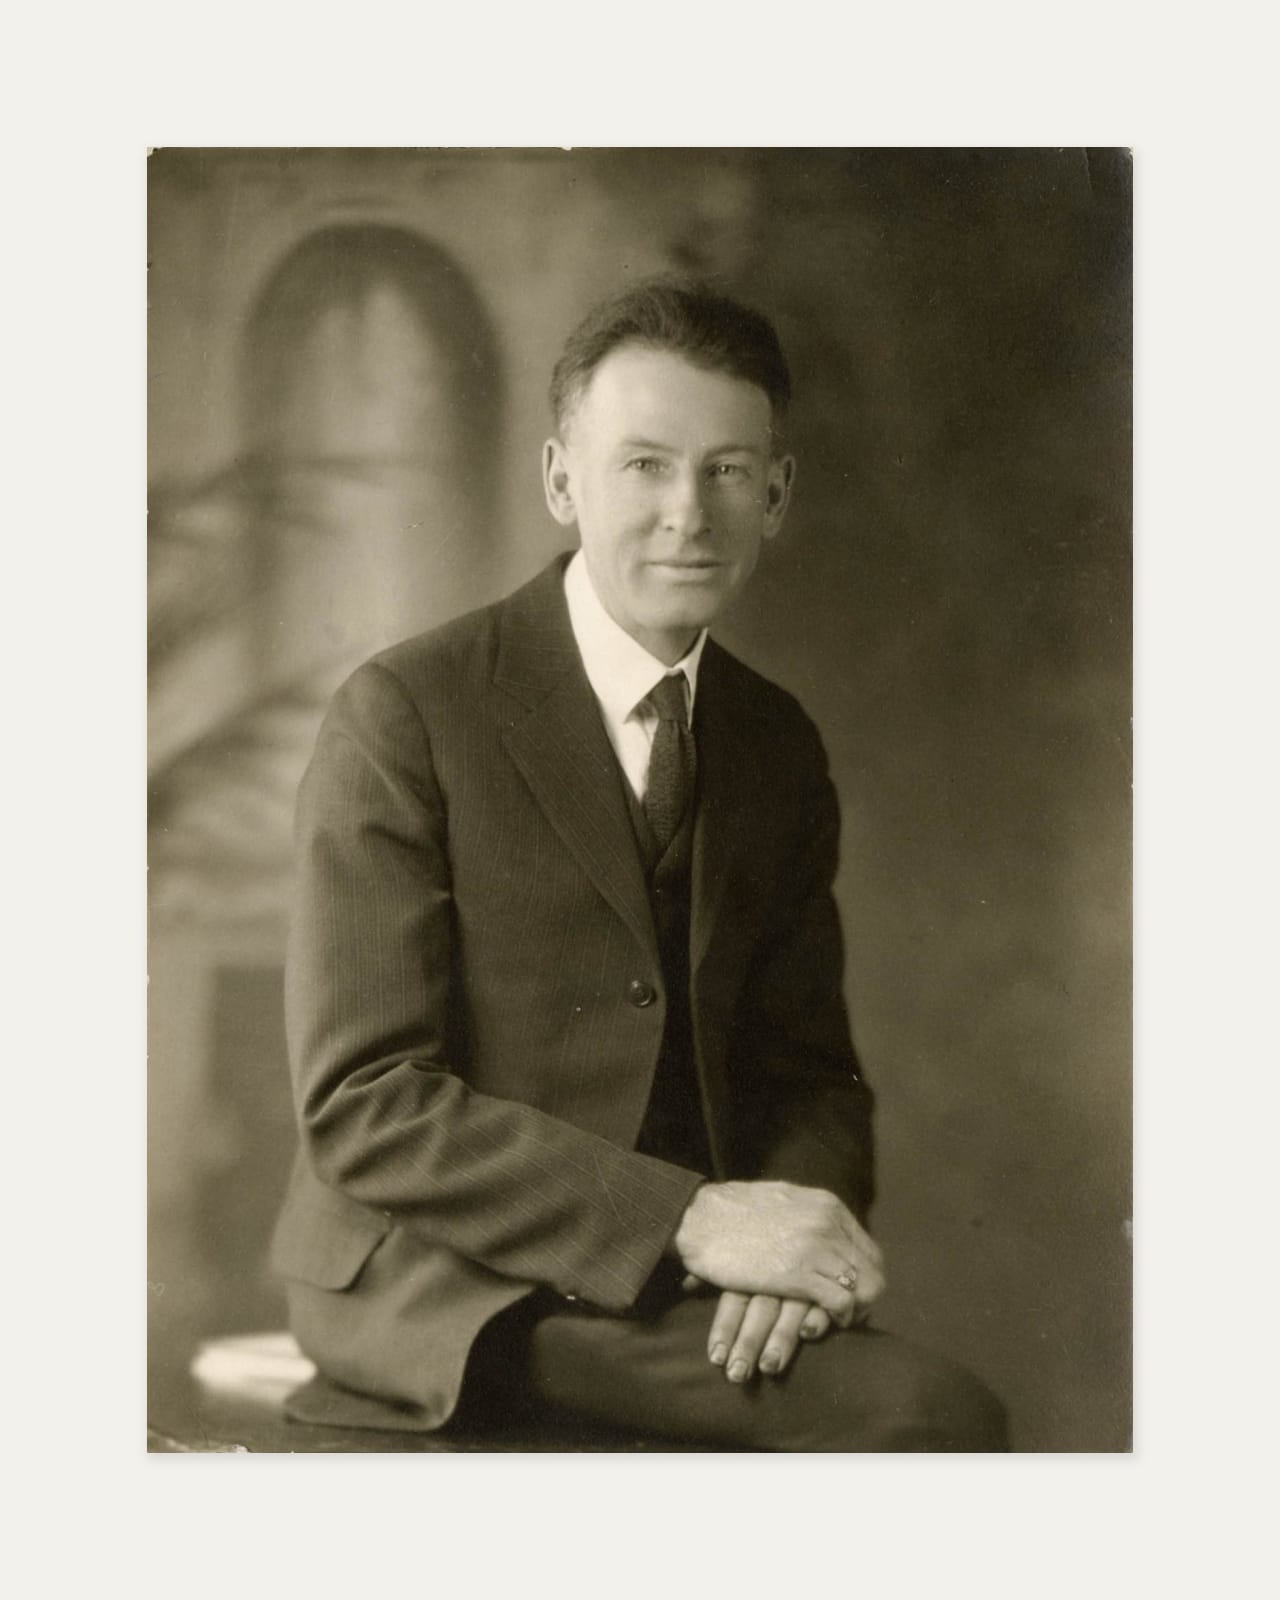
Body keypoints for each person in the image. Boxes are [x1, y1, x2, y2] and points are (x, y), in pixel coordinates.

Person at [271, 278, 1008, 1451]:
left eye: (727, 471)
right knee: (925, 1420)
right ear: (561, 480)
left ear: (777, 494)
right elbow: (365, 1104)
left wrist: (794, 1245)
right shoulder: (406, 710)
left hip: (676, 1282)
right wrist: (696, 1220)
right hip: (440, 1281)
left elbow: (811, 1078)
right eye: (644, 466)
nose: (687, 514)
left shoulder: (774, 740)